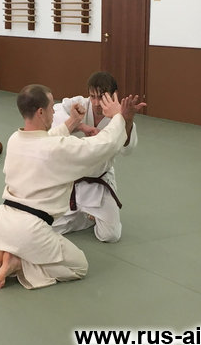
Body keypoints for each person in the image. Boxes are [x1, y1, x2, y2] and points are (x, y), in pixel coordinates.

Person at [0, 84, 146, 290]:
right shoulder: (57, 148)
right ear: (40, 112)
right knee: (79, 266)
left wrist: (72, 122)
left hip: (2, 222)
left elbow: (45, 139)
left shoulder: (15, 139)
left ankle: (4, 253)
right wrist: (119, 116)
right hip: (30, 230)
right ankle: (18, 262)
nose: (54, 111)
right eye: (51, 107)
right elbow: (104, 144)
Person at [51, 72, 139, 242]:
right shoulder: (80, 104)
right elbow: (56, 112)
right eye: (93, 96)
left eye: (102, 96)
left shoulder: (120, 116)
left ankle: (90, 213)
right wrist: (80, 125)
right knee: (51, 227)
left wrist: (126, 120)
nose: (97, 103)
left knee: (110, 235)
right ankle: (85, 216)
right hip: (72, 179)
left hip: (99, 180)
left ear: (114, 95)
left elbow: (127, 150)